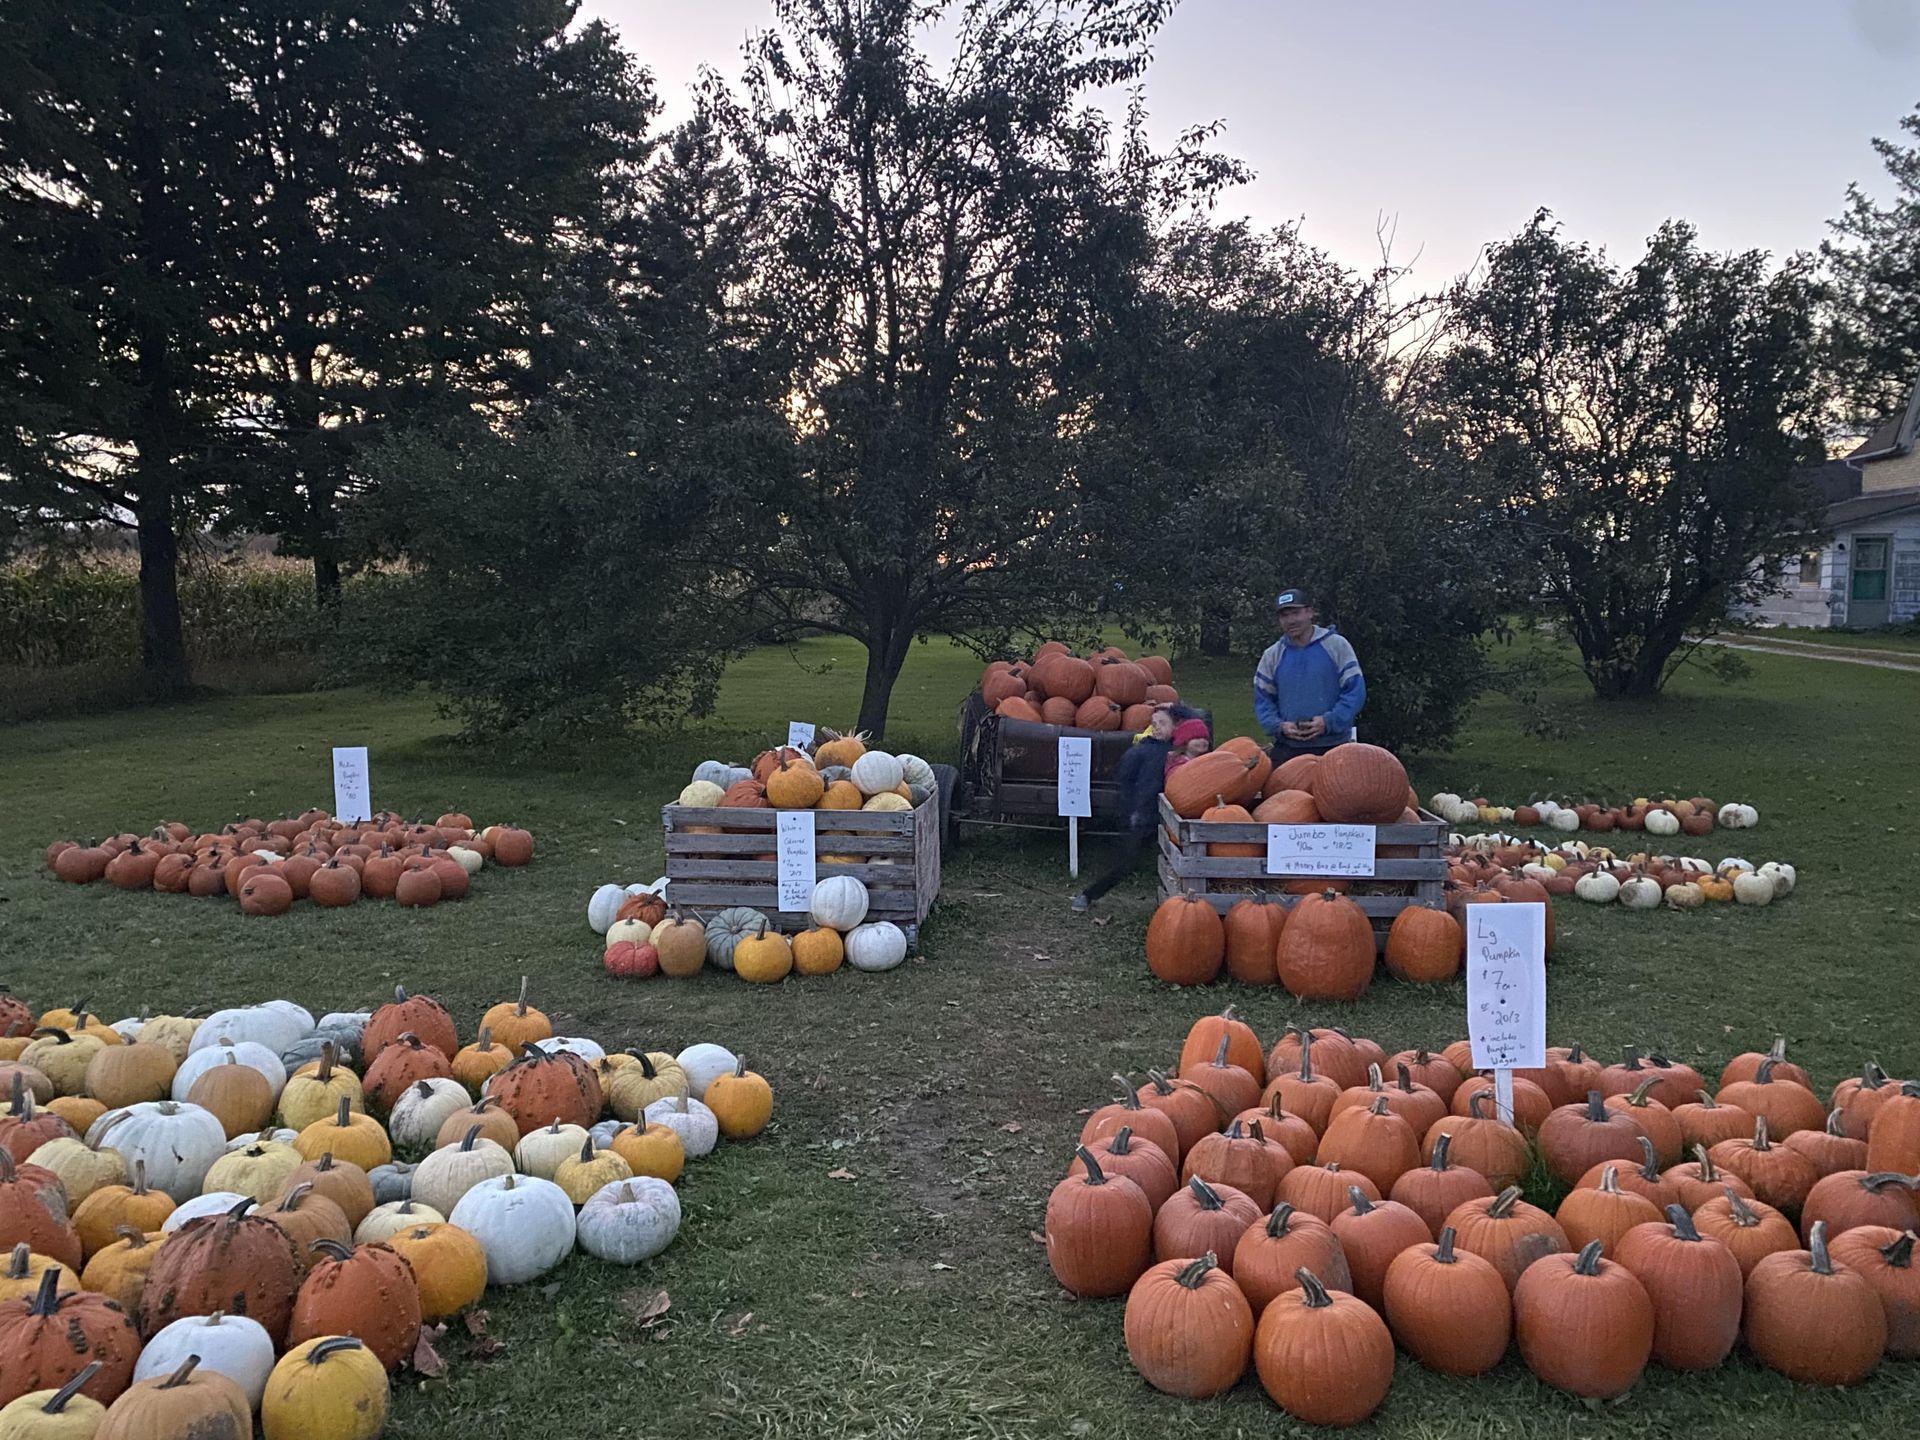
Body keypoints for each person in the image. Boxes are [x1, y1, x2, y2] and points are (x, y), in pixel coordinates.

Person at [1070, 708, 1207, 912]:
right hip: (1145, 815)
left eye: (1162, 722)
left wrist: (1175, 707)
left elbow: (1199, 724)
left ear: (1176, 727)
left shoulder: (1182, 750)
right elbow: (1125, 778)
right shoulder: (1143, 750)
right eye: (1154, 723)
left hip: (1174, 816)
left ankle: (1183, 905)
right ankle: (1089, 894)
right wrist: (1131, 811)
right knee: (1124, 861)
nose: (1157, 727)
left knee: (1178, 862)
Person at [1253, 588, 1365, 763]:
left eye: (1296, 613)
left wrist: (1328, 722)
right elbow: (1263, 700)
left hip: (1335, 747)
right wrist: (1279, 726)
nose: (1291, 621)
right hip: (1288, 749)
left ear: (1310, 612)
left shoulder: (1336, 646)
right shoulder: (1272, 655)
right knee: (1285, 791)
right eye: (1285, 616)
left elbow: (1355, 692)